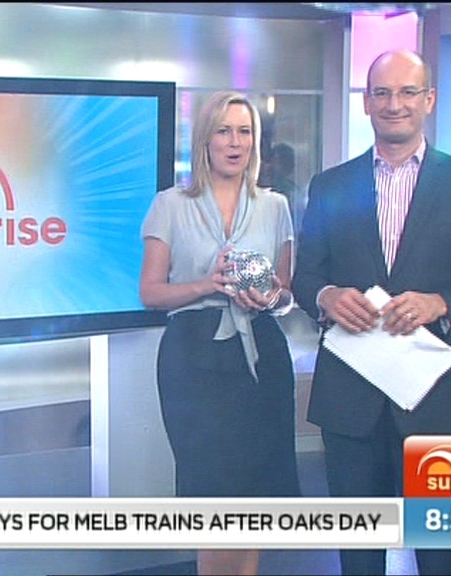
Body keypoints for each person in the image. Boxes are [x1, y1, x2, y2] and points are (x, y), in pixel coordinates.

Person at [292, 50, 451, 576]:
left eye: (407, 92)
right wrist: (325, 295)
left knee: (448, 557)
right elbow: (306, 276)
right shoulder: (330, 186)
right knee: (358, 557)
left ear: (429, 100)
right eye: (382, 92)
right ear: (367, 102)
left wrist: (442, 304)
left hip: (443, 403)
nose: (394, 104)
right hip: (351, 401)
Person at [140, 90, 302, 576]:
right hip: (194, 358)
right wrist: (206, 285)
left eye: (244, 132)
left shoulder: (275, 206)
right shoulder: (171, 204)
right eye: (224, 131)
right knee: (211, 491)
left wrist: (268, 298)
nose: (235, 142)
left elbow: (286, 293)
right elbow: (151, 292)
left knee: (254, 491)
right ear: (205, 140)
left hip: (260, 356)